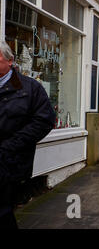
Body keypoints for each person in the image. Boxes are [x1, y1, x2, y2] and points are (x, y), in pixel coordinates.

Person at [0, 40, 55, 229]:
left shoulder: (30, 88)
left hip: (11, 164)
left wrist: (10, 146)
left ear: (10, 61)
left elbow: (44, 121)